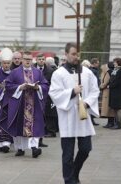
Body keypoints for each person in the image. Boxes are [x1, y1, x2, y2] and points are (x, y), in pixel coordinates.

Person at [49, 43, 100, 184]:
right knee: (68, 155)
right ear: (66, 55)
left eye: (77, 54)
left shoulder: (87, 72)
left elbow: (95, 90)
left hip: (83, 116)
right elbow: (54, 93)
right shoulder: (59, 73)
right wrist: (72, 91)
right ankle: (69, 181)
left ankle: (74, 173)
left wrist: (87, 102)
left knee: (85, 149)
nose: (76, 56)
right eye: (73, 54)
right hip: (67, 117)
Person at [5, 51, 49, 158]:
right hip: (19, 104)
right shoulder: (15, 72)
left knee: (35, 125)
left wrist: (37, 87)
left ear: (32, 60)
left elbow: (45, 85)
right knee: (19, 126)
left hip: (34, 104)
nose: (27, 61)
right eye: (25, 59)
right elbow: (8, 85)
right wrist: (20, 87)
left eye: (29, 59)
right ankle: (20, 148)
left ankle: (34, 148)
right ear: (22, 60)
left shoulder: (38, 72)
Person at [35, 53, 57, 142]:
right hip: (35, 94)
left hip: (47, 95)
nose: (41, 61)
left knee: (48, 114)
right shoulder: (32, 69)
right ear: (36, 60)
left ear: (45, 60)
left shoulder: (50, 70)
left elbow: (53, 83)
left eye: (42, 59)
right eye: (39, 59)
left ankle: (49, 131)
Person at [109, 57, 121, 130]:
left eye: (115, 62)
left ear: (118, 62)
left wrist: (110, 85)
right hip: (114, 92)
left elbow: (117, 82)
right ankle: (116, 123)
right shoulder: (116, 70)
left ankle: (118, 125)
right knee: (115, 109)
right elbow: (112, 79)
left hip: (118, 93)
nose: (114, 63)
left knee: (118, 109)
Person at [100, 62, 115, 128]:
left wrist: (101, 86)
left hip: (107, 91)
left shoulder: (108, 72)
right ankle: (111, 122)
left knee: (107, 108)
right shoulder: (114, 71)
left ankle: (110, 123)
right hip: (112, 91)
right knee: (111, 107)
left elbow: (105, 82)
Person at [89, 58, 100, 126]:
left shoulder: (93, 70)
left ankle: (91, 120)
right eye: (97, 63)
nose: (98, 64)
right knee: (92, 105)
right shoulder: (93, 71)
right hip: (93, 90)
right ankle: (91, 120)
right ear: (94, 63)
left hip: (93, 89)